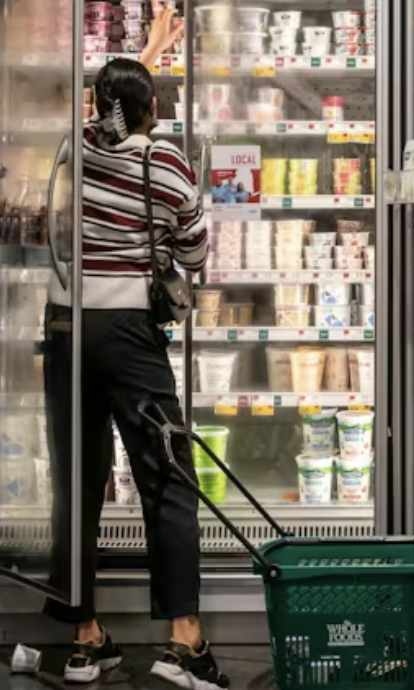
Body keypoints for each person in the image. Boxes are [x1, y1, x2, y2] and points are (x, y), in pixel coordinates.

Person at [42, 10, 228, 689]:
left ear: (99, 106)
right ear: (153, 109)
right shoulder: (166, 162)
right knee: (168, 478)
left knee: (76, 483)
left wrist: (145, 52)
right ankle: (185, 642)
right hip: (128, 334)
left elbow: (111, 110)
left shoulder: (77, 143)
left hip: (66, 327)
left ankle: (86, 641)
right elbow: (196, 253)